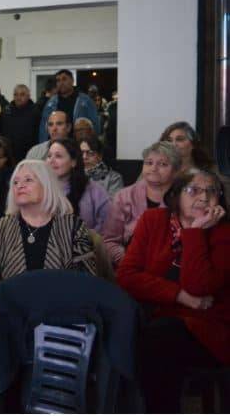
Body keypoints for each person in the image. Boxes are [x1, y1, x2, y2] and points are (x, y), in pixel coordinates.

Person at [117, 169, 230, 413]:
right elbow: (126, 276)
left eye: (212, 191)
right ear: (176, 195)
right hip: (156, 319)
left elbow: (199, 286)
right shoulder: (153, 220)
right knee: (127, 332)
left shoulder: (224, 232)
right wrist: (180, 296)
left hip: (208, 329)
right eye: (193, 190)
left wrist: (195, 232)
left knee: (160, 337)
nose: (204, 197)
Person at [0, 160, 97, 320]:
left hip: (60, 311)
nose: (20, 185)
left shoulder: (73, 226)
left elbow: (85, 278)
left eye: (28, 180)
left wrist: (45, 299)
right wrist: (14, 297)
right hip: (12, 309)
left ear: (47, 185)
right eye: (15, 182)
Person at [102, 142, 180, 266]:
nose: (153, 168)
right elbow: (109, 241)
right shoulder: (123, 196)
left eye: (162, 164)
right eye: (149, 163)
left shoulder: (183, 198)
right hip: (129, 264)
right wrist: (130, 262)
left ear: (175, 171)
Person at [46, 138, 110, 233]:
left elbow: (107, 224)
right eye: (49, 156)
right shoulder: (39, 189)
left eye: (58, 156)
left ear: (73, 162)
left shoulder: (95, 191)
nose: (51, 160)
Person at [38, 69, 100, 142]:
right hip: (56, 144)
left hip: (79, 144)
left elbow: (95, 125)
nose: (61, 83)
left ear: (72, 81)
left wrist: (91, 145)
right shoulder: (51, 103)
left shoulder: (85, 101)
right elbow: (44, 128)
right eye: (58, 80)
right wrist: (44, 145)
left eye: (64, 79)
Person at [0, 84, 40, 163]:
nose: (18, 97)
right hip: (9, 156)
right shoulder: (6, 111)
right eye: (16, 94)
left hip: (29, 154)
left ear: (28, 96)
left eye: (22, 94)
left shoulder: (36, 112)